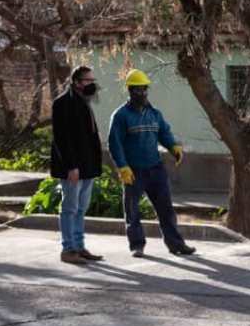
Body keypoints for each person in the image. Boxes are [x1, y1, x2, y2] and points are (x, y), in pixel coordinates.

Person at [108, 69, 196, 257]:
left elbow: (163, 132)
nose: (142, 94)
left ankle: (176, 244)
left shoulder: (154, 114)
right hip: (133, 171)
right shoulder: (121, 116)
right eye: (138, 90)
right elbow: (114, 144)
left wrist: (173, 147)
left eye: (144, 90)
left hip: (155, 169)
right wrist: (122, 166)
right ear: (130, 91)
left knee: (166, 209)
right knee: (132, 211)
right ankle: (137, 245)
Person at [51, 65, 104, 265]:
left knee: (81, 209)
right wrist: (71, 166)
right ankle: (68, 249)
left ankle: (79, 247)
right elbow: (61, 139)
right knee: (70, 208)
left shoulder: (84, 102)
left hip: (87, 166)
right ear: (76, 82)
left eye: (92, 80)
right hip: (73, 168)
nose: (92, 84)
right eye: (87, 80)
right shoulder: (63, 103)